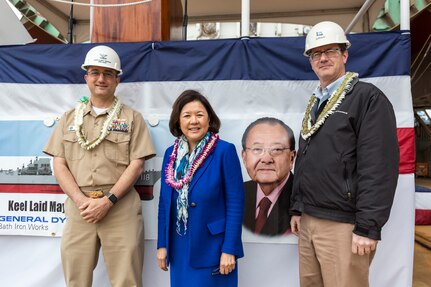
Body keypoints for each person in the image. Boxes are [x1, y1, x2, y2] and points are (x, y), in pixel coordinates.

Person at [290, 21, 399, 287]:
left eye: (330, 51)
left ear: (345, 54)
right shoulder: (316, 102)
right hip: (309, 221)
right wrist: (297, 207)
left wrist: (368, 227)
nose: (323, 58)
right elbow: (307, 160)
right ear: (310, 60)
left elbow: (378, 167)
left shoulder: (367, 98)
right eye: (316, 53)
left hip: (344, 226)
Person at [43, 45, 156, 287]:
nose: (101, 79)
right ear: (86, 78)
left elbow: (136, 164)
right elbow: (59, 163)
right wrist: (82, 201)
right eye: (95, 72)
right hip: (79, 208)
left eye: (108, 73)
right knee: (76, 280)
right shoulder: (68, 118)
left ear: (117, 80)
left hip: (120, 207)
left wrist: (108, 201)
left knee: (128, 280)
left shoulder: (132, 118)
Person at [156, 90, 244, 287]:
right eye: (187, 115)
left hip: (213, 248)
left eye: (199, 115)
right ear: (178, 122)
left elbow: (236, 204)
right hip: (178, 248)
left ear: (209, 119)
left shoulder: (224, 151)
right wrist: (162, 244)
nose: (193, 121)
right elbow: (164, 203)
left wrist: (229, 249)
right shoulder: (171, 154)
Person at [241, 117, 296, 236]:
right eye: (257, 149)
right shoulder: (237, 193)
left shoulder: (305, 197)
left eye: (276, 149)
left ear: (291, 158)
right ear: (244, 157)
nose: (266, 159)